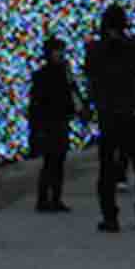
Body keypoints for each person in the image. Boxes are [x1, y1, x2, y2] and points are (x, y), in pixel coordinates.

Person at [84, 4, 135, 231]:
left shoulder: (95, 49)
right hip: (131, 111)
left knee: (107, 167)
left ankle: (110, 216)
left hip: (107, 113)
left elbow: (90, 76)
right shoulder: (133, 46)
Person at [28, 37, 84, 212]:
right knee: (51, 161)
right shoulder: (43, 76)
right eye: (57, 51)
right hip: (49, 121)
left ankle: (55, 197)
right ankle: (44, 198)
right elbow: (36, 103)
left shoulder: (64, 73)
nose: (60, 54)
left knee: (58, 160)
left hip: (60, 120)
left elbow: (72, 94)